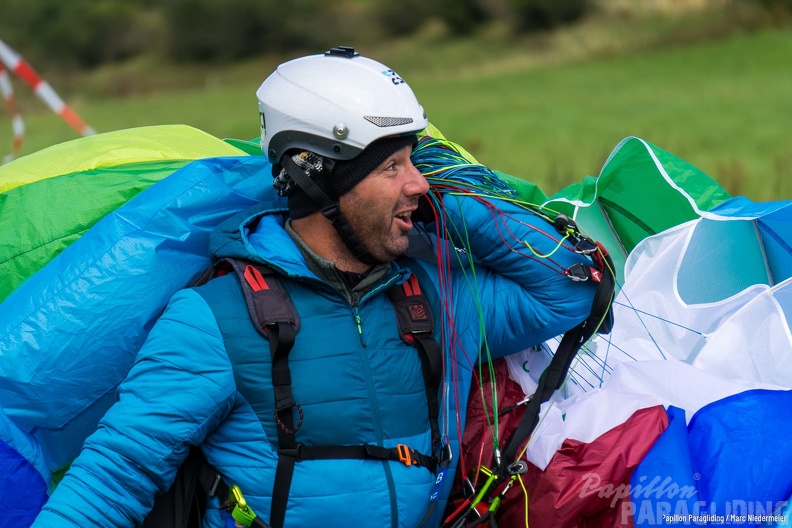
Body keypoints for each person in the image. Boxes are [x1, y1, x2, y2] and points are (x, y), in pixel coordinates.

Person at [32, 46, 597, 528]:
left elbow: (568, 289)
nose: (419, 183)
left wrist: (447, 207)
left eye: (414, 161)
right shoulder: (217, 318)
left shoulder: (434, 296)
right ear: (319, 179)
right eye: (392, 167)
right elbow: (113, 480)